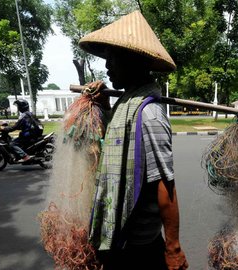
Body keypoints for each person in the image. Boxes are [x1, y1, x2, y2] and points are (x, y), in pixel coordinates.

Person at [78, 11, 188, 270]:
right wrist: (104, 106)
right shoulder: (127, 103)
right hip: (120, 241)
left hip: (138, 247)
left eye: (113, 58)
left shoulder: (149, 113)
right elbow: (118, 147)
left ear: (134, 60)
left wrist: (173, 249)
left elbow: (164, 183)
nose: (107, 67)